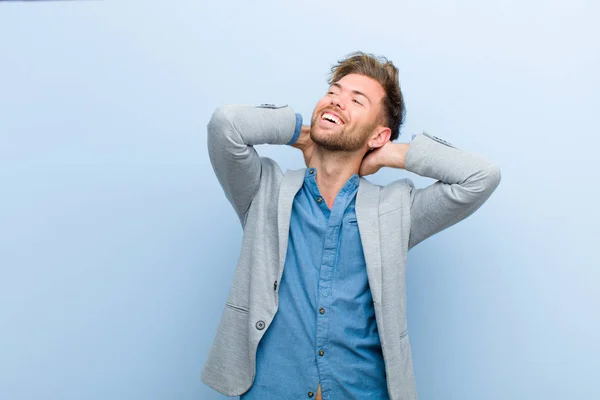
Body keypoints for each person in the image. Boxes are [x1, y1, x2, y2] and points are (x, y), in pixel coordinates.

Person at [202, 51, 501, 400]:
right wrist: (301, 132)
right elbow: (225, 125)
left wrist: (389, 154)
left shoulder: (396, 210)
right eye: (333, 92)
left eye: (356, 100)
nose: (337, 101)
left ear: (379, 134)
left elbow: (482, 176)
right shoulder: (264, 190)